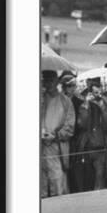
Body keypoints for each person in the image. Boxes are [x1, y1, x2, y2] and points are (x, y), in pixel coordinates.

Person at [74, 79, 107, 191]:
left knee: (100, 179)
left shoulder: (106, 105)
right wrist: (87, 105)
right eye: (95, 93)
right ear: (89, 93)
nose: (97, 96)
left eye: (100, 93)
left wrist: (102, 107)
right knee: (87, 179)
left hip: (101, 146)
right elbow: (81, 124)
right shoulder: (84, 105)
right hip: (87, 146)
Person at [41, 70, 75, 198]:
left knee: (57, 180)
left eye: (51, 80)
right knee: (41, 182)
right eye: (45, 80)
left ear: (57, 82)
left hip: (56, 146)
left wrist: (55, 136)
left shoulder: (65, 101)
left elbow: (70, 127)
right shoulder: (40, 99)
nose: (48, 83)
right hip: (40, 145)